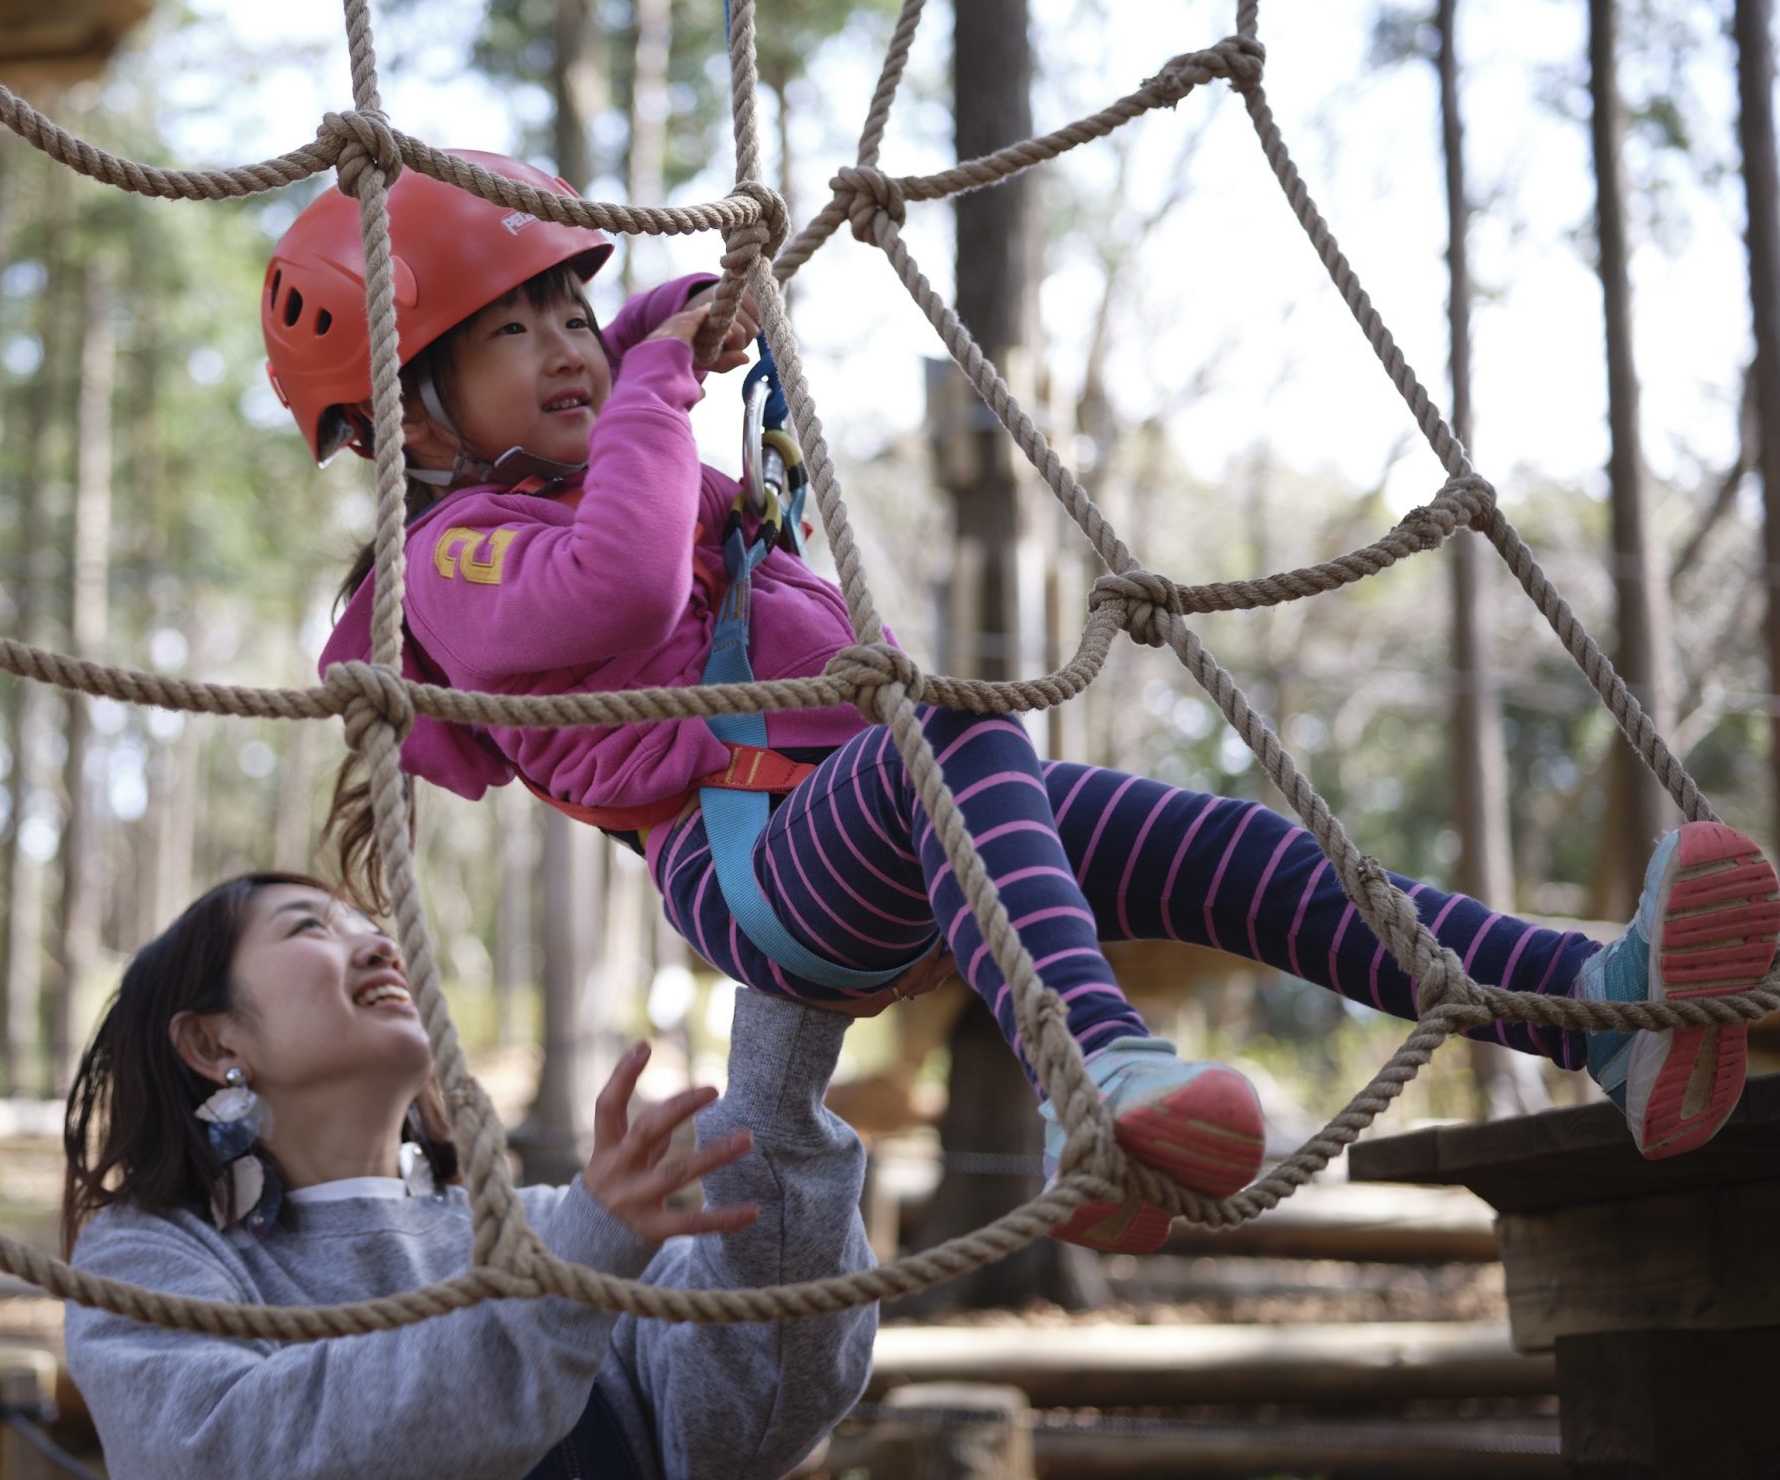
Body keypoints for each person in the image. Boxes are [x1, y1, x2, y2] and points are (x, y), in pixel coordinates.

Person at [264, 152, 1780, 1254]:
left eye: (571, 316)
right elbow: (608, 587)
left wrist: (670, 323)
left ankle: (1589, 1011)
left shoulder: (593, 445)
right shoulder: (446, 558)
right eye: (509, 333)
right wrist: (658, 384)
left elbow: (639, 468)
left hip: (881, 823)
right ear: (411, 419)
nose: (568, 352)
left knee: (1227, 856)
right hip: (765, 864)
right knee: (952, 716)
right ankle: (1100, 1076)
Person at [59, 873, 876, 1480]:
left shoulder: (555, 1228)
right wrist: (564, 1281)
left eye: (373, 929)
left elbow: (757, 1406)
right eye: (310, 927)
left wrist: (789, 1011)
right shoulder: (150, 1260)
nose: (380, 947)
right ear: (211, 1041)